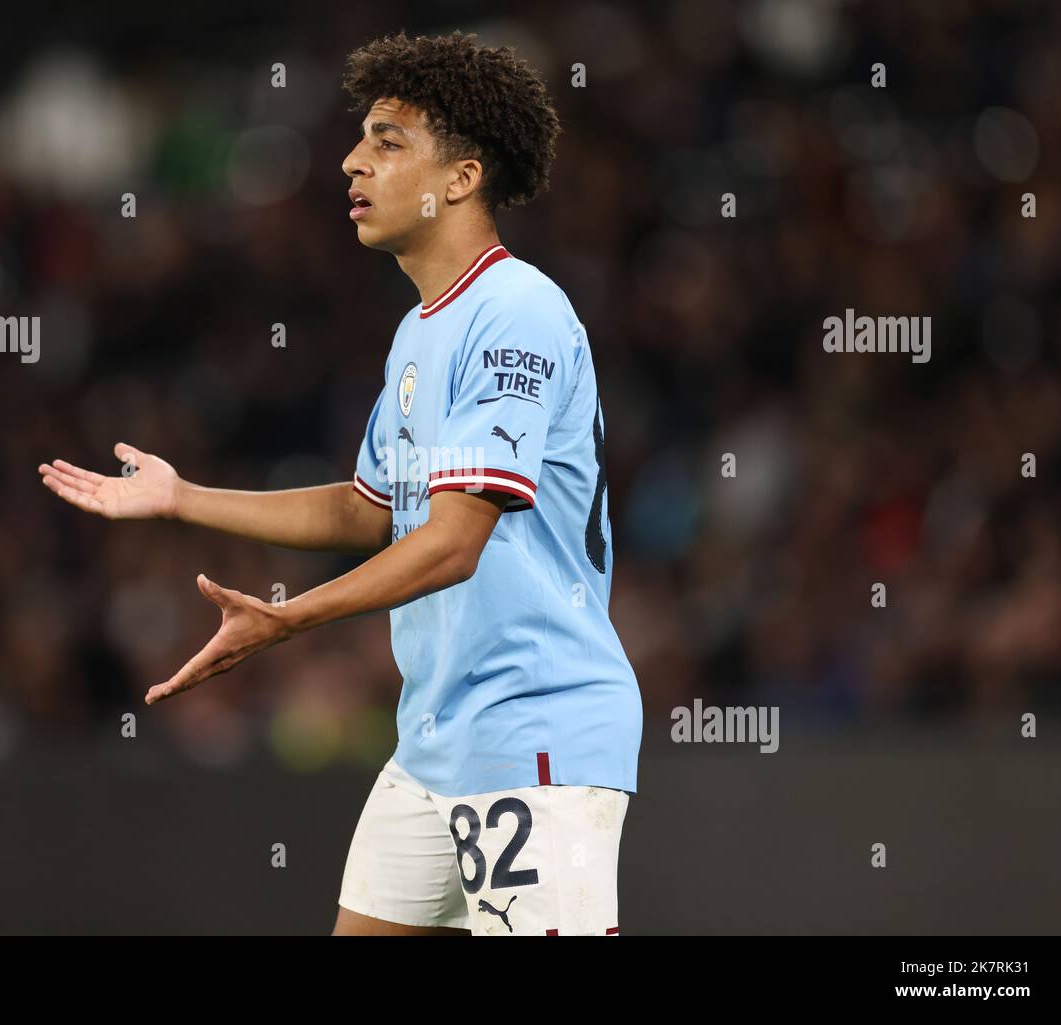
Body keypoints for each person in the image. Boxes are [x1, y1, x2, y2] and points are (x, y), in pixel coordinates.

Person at [39, 30, 642, 936]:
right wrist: (182, 497)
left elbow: (452, 539)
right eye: (362, 139)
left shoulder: (515, 312)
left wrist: (290, 620)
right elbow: (371, 508)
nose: (355, 161)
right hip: (435, 737)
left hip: (534, 734)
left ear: (463, 178)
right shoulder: (420, 331)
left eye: (390, 141)